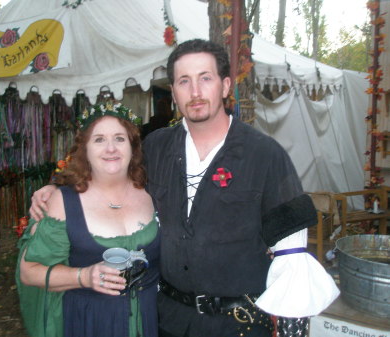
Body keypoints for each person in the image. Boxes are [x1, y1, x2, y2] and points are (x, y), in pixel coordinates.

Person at [30, 39, 339, 337]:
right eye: (183, 81)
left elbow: (292, 256)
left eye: (205, 78)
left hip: (237, 325)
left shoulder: (266, 155)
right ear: (174, 93)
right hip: (167, 319)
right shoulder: (156, 147)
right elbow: (107, 176)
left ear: (226, 86)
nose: (195, 91)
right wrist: (57, 188)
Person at [17, 103, 160, 337]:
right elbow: (28, 272)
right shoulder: (63, 202)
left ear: (133, 146)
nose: (111, 148)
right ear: (85, 149)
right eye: (99, 139)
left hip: (148, 320)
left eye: (119, 139)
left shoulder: (153, 191)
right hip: (89, 322)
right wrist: (84, 277)